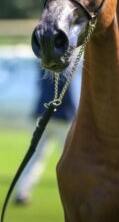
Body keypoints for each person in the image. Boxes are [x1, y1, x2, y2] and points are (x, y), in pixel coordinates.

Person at [14, 69, 77, 205]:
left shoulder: (44, 58)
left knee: (35, 158)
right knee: (70, 160)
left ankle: (22, 193)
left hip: (42, 114)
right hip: (63, 118)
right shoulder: (66, 60)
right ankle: (77, 194)